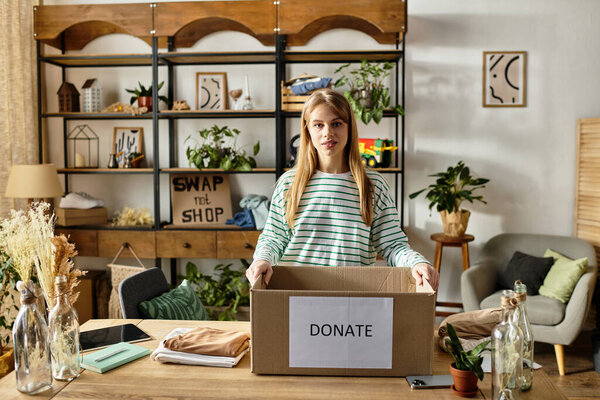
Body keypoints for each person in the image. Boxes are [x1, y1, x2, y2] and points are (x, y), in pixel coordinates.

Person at [246, 89, 439, 290]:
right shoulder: (289, 184)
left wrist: (416, 262)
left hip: (354, 299)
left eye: (336, 123)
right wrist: (262, 259)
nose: (327, 132)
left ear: (349, 128)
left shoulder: (373, 186)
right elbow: (274, 238)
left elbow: (393, 245)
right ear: (308, 131)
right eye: (318, 125)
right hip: (295, 296)